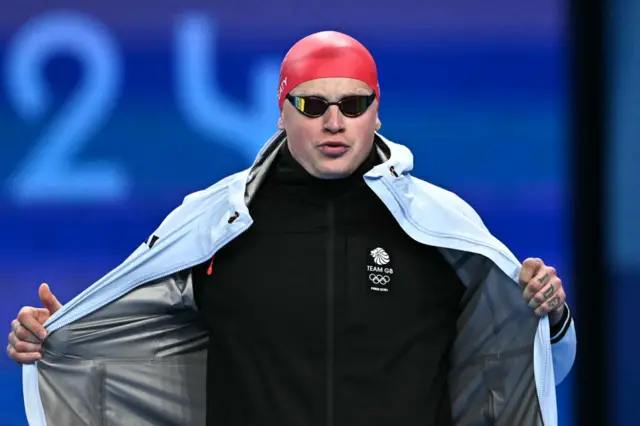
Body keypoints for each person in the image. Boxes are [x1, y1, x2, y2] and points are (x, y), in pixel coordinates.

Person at [7, 31, 576, 426]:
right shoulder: (216, 224)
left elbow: (520, 362)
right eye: (312, 103)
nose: (335, 121)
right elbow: (121, 334)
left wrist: (549, 316)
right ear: (282, 112)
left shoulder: (440, 226)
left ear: (377, 113)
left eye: (354, 105)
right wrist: (58, 335)